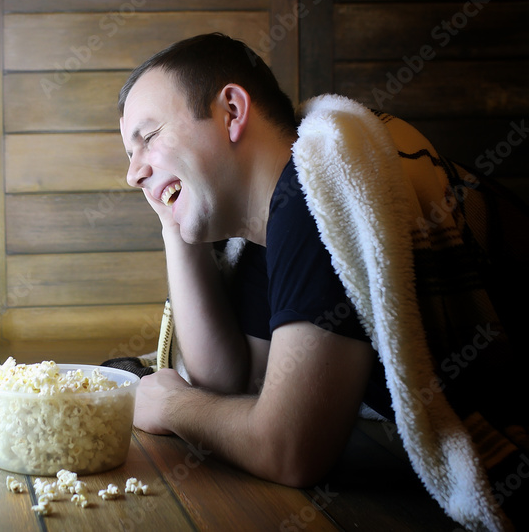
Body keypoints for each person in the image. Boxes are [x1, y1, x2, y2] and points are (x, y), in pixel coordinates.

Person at [116, 32, 527, 531]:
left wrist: (172, 406)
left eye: (149, 137)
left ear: (231, 111)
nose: (133, 174)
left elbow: (291, 450)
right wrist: (174, 226)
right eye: (130, 155)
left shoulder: (322, 189)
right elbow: (230, 384)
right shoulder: (267, 225)